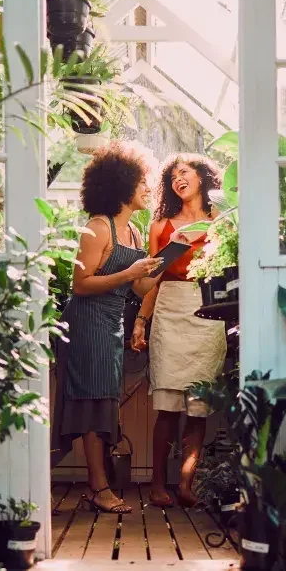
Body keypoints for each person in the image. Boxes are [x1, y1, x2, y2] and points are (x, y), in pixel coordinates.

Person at [53, 142, 165, 514]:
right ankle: (99, 489)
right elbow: (79, 285)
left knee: (105, 402)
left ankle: (98, 486)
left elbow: (139, 288)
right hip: (86, 322)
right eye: (143, 183)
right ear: (122, 185)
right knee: (92, 402)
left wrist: (162, 265)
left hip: (112, 322)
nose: (148, 190)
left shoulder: (132, 232)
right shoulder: (97, 228)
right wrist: (130, 272)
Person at [131, 153, 227, 508]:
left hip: (207, 311)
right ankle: (158, 484)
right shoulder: (160, 227)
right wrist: (141, 321)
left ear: (202, 177)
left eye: (184, 172)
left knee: (198, 404)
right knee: (168, 405)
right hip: (170, 310)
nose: (177, 179)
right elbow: (150, 283)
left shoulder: (223, 223)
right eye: (172, 176)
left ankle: (186, 484)